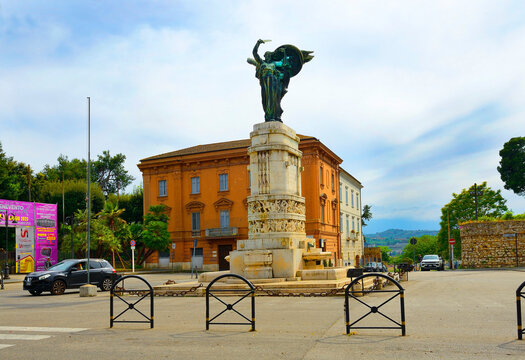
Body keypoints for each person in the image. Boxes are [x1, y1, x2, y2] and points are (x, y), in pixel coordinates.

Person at [248, 39, 313, 122]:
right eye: (266, 55)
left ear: (270, 57)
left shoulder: (274, 64)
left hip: (273, 82)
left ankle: (275, 116)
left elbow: (285, 63)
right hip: (265, 82)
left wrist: (284, 53)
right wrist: (258, 43)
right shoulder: (261, 63)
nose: (266, 56)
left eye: (268, 55)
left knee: (274, 98)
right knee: (266, 99)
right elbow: (255, 54)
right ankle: (268, 116)